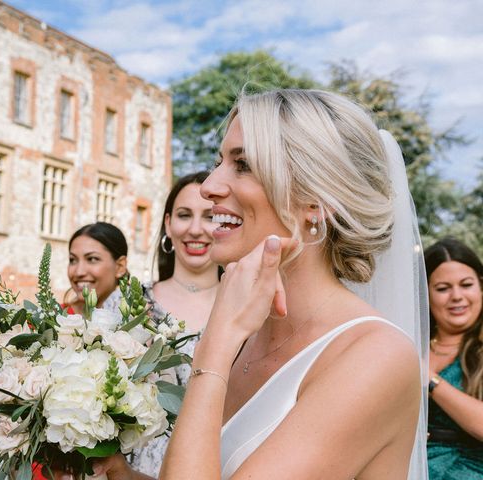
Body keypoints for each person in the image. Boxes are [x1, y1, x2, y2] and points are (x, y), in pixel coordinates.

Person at [93, 89, 428, 479]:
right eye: (219, 161)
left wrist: (215, 343)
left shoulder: (375, 356)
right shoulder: (250, 338)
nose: (209, 186)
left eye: (244, 165)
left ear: (314, 202)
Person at [130, 171, 220, 476]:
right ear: (168, 224)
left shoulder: (249, 311)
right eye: (184, 215)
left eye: (209, 216)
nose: (196, 229)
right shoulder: (129, 302)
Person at [424, 238, 483, 479]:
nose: (456, 296)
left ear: (481, 286)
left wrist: (429, 380)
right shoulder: (409, 345)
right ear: (425, 294)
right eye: (443, 288)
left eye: (466, 285)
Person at [64, 222, 128, 314]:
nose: (79, 272)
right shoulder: (49, 320)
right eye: (72, 260)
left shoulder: (143, 322)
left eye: (92, 259)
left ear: (120, 266)